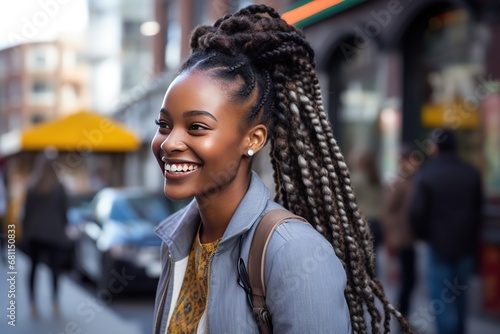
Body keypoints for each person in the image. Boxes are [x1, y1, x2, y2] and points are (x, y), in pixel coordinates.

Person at [151, 5, 410, 333]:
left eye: (197, 127)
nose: (169, 142)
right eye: (163, 124)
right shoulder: (175, 240)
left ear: (254, 139)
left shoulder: (294, 253)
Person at [409, 129, 483, 334]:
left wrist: (424, 235)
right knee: (460, 298)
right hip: (465, 245)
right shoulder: (471, 172)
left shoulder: (428, 174)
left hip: (439, 245)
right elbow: (479, 211)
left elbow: (416, 213)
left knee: (442, 300)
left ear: (436, 147)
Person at [21, 152, 71, 318]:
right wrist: (64, 228)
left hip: (35, 234)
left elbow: (27, 213)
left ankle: (33, 304)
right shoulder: (60, 187)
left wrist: (25, 231)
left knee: (33, 269)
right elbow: (64, 212)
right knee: (54, 270)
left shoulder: (32, 186)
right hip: (54, 234)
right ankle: (55, 303)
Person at [381, 144, 417, 319]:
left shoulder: (411, 179)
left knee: (410, 280)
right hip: (402, 238)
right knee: (407, 280)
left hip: (409, 237)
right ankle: (402, 318)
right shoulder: (399, 181)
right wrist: (394, 236)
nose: (414, 164)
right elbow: (388, 210)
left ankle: (404, 316)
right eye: (411, 160)